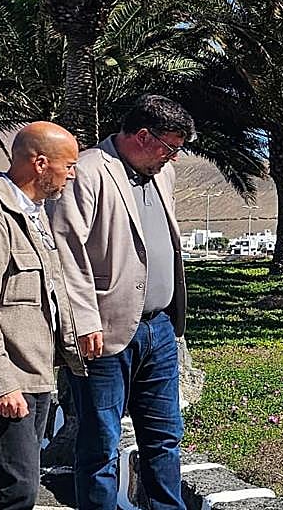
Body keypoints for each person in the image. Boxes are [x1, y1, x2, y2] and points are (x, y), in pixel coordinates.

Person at [46, 94, 194, 510]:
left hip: (160, 329)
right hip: (104, 333)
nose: (174, 159)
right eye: (170, 148)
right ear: (143, 137)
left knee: (164, 438)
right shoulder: (89, 171)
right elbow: (64, 250)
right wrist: (82, 320)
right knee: (101, 443)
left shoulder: (160, 175)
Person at [0, 121, 87, 510]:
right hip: (5, 378)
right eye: (68, 165)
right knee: (17, 490)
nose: (73, 174)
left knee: (19, 487)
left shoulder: (34, 215)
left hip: (34, 372)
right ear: (40, 163)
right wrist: (2, 383)